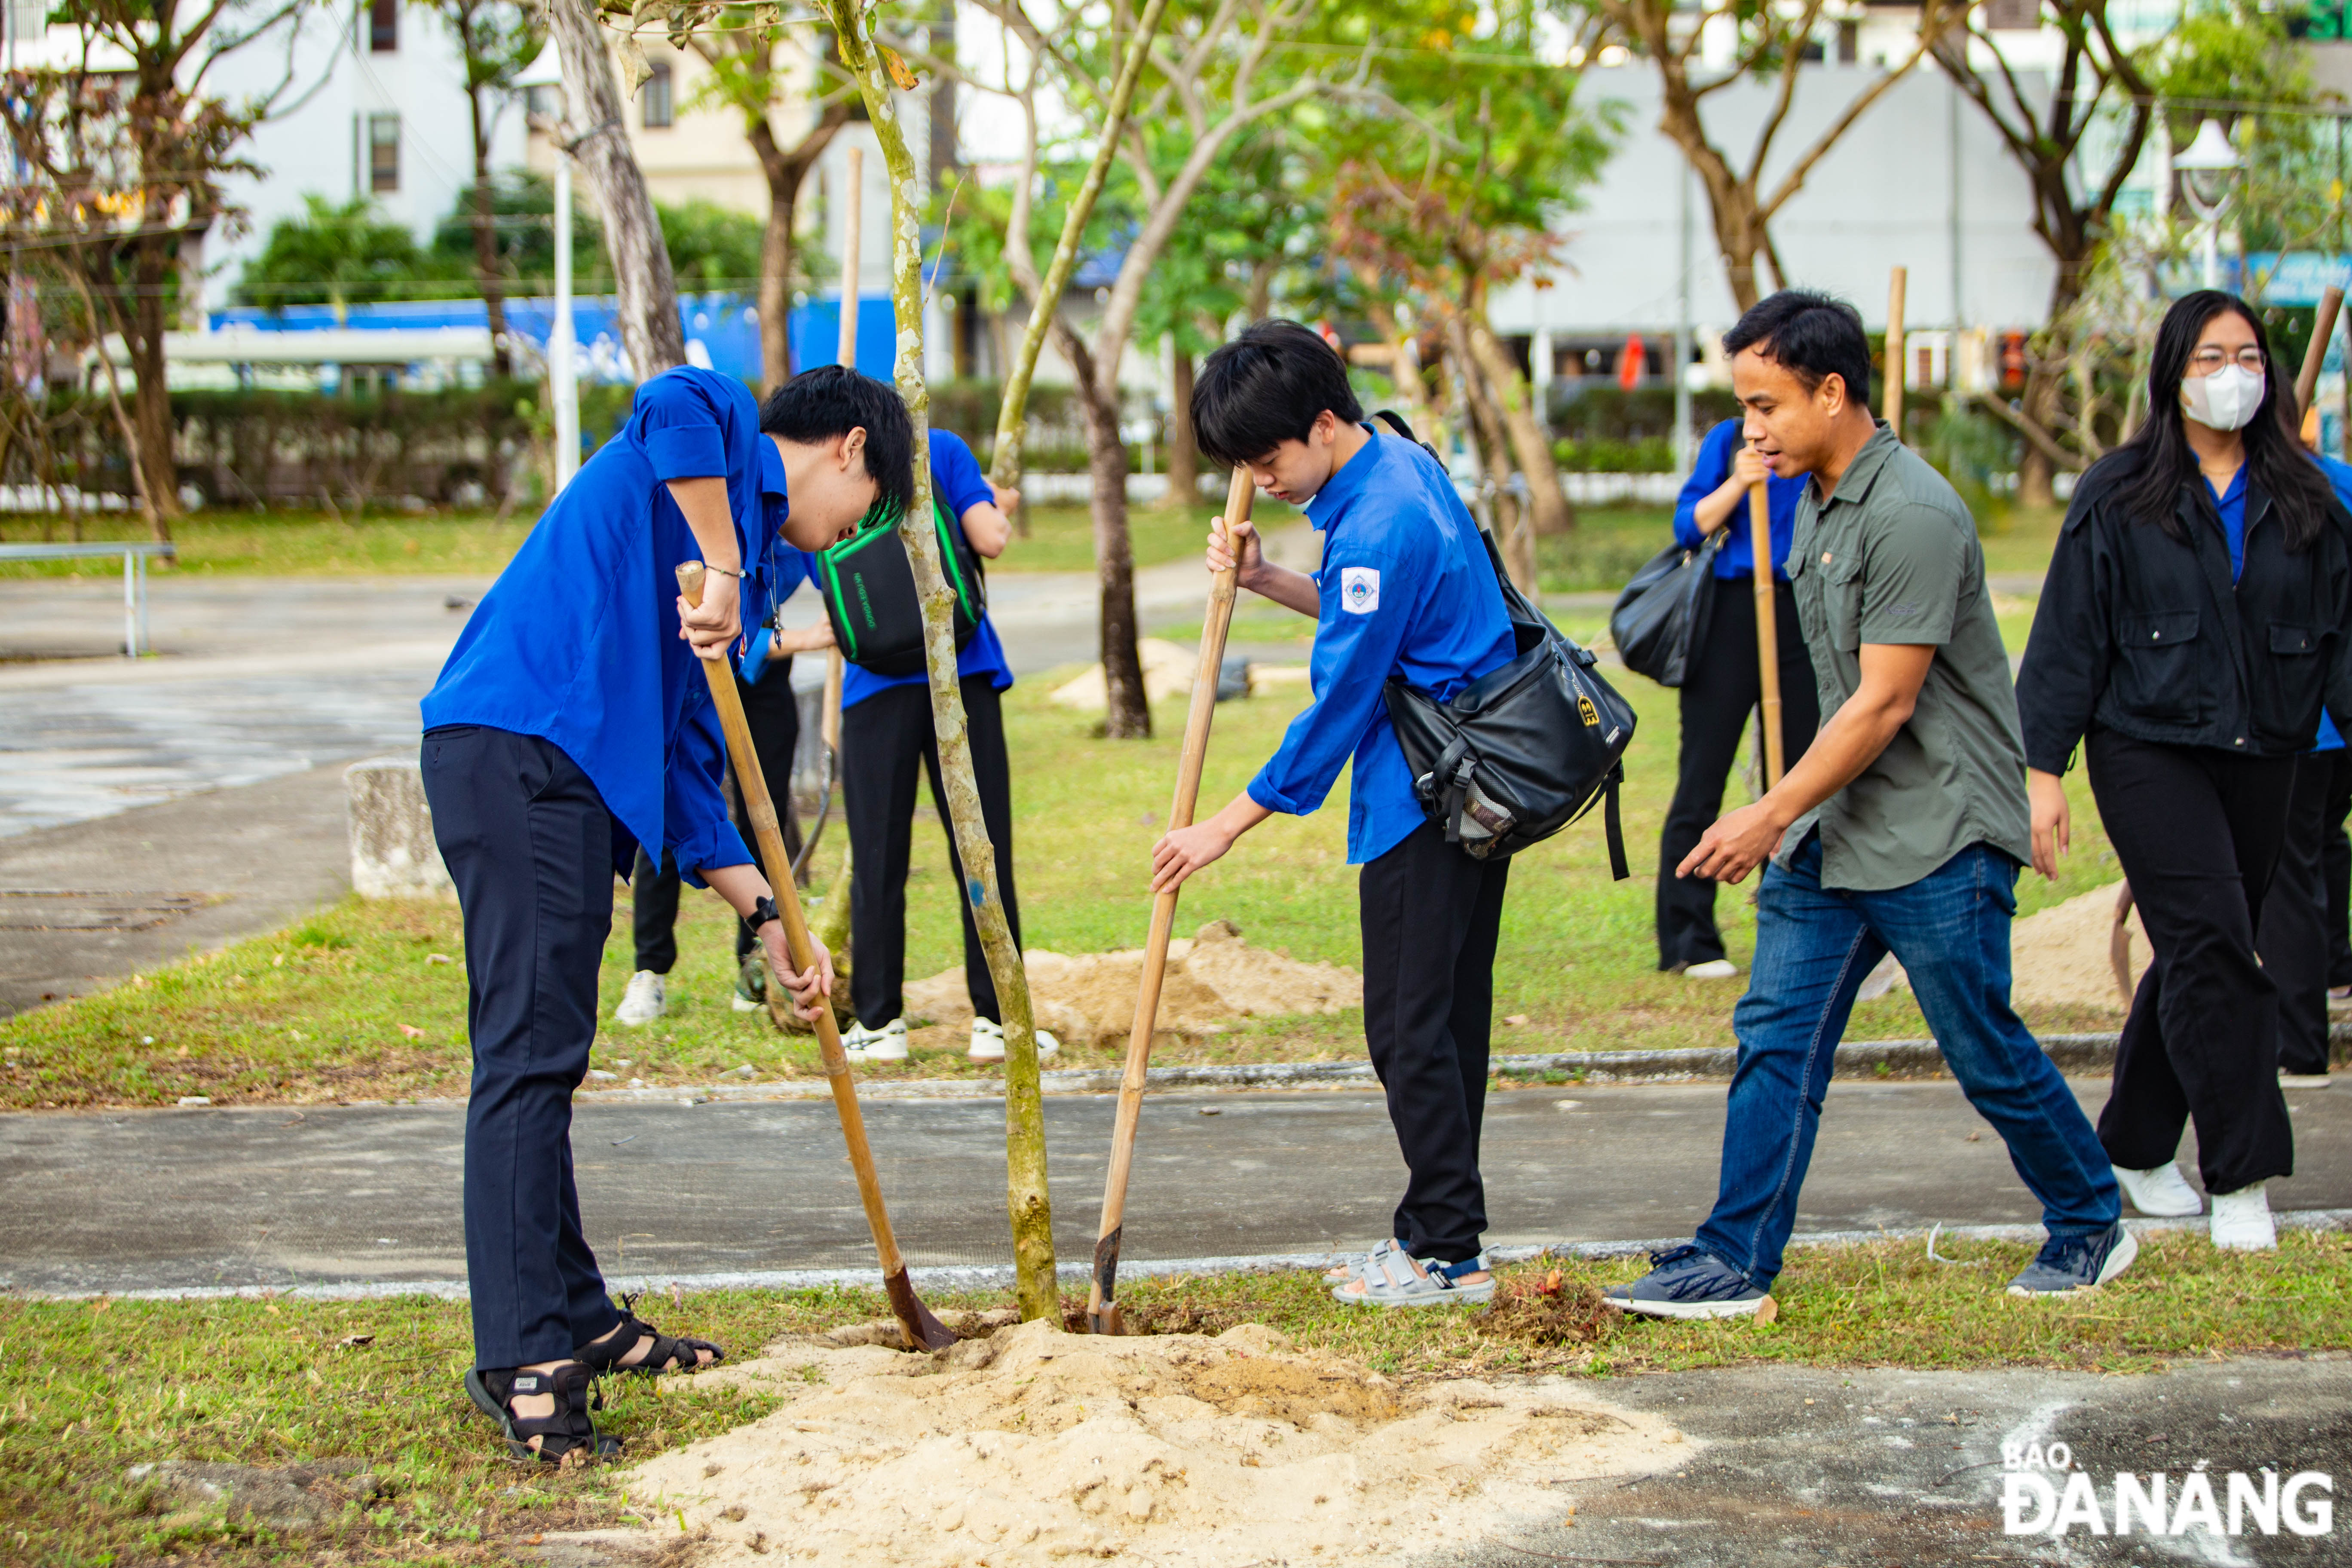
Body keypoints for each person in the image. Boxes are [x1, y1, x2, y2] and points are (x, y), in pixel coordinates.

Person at [1607, 291, 2130, 1319]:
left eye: (1764, 406)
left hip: (1936, 829)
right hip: (1836, 829)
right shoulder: (1811, 496)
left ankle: (2088, 1220)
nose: (1747, 430)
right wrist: (1792, 815)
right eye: (1742, 406)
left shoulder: (1911, 513)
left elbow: (1882, 704)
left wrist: (1763, 813)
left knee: (1977, 1040)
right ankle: (1734, 1256)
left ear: (1831, 391)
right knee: (1774, 1032)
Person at [418, 363, 906, 1461]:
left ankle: (575, 1313)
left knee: (553, 1050)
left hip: (576, 777)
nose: (843, 540)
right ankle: (520, 1356)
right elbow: (668, 403)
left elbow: (690, 764)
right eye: (862, 513)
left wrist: (768, 918)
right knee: (526, 1056)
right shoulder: (724, 439)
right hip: (517, 745)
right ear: (848, 451)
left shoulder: (760, 563)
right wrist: (726, 565)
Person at [1152, 319, 1519, 1308]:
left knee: (1406, 1033)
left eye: (1267, 458)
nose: (1261, 479)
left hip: (1428, 801)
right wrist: (1269, 578)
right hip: (1476, 783)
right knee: (1442, 1025)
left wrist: (1220, 826)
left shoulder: (1373, 524)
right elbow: (1389, 616)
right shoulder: (1397, 459)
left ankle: (1445, 1255)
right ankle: (1443, 1237)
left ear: (1321, 423)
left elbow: (1340, 701)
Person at [2016, 290, 2352, 1250]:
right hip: (2147, 745)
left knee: (2199, 946)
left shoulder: (2311, 498)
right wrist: (2044, 772)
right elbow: (2068, 639)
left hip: (2267, 749)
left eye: (2247, 356)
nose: (2231, 375)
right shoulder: (2119, 493)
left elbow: (2344, 641)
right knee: (2217, 947)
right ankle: (2242, 1173)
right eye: (2209, 358)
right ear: (2173, 375)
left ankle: (2130, 1142)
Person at [832, 427, 1059, 1065]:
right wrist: (994, 506)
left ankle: (880, 1024)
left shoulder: (837, 465)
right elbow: (989, 538)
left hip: (872, 684)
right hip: (961, 674)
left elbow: (809, 555)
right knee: (983, 850)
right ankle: (997, 1019)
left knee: (877, 854)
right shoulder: (938, 448)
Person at [615, 573, 832, 1026]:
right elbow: (718, 625)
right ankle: (649, 969)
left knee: (764, 825)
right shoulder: (720, 523)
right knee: (669, 819)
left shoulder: (793, 525)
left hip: (763, 690)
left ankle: (753, 964)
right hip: (697, 681)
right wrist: (802, 638)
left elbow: (834, 561)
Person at [1656, 416, 1819, 980]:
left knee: (1801, 781)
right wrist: (1739, 481)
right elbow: (1688, 527)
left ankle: (1795, 927)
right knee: (1701, 779)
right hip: (1729, 614)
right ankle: (1688, 940)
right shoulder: (1729, 440)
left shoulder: (1814, 438)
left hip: (1802, 610)